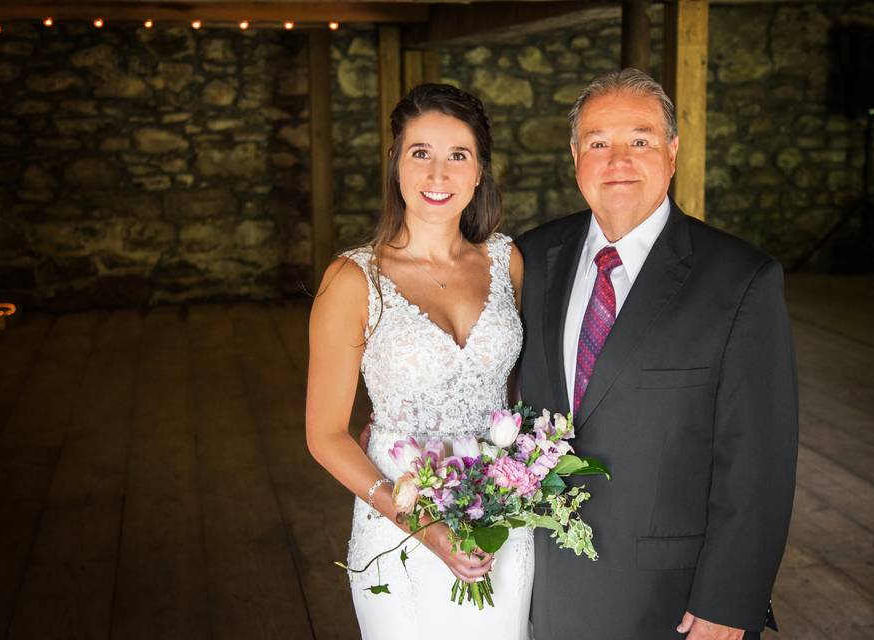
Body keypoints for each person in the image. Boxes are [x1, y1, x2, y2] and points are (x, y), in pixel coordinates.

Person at [516, 69, 798, 640]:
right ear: (575, 156)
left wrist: (729, 598)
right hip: (535, 584)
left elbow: (760, 459)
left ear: (672, 151)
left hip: (669, 602)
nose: (618, 160)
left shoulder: (740, 279)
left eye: (640, 140)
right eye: (599, 143)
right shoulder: (531, 257)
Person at [305, 84, 532, 640]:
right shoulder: (353, 280)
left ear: (479, 171)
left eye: (458, 155)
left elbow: (516, 396)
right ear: (395, 164)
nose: (438, 175)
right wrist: (421, 524)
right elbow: (324, 434)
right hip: (398, 520)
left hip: (500, 517)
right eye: (420, 153)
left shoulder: (507, 260)